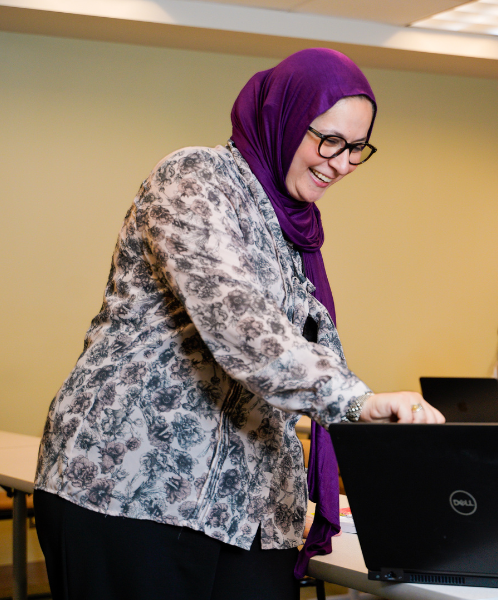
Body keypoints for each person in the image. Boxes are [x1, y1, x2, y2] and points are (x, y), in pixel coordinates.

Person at [33, 48, 443, 600]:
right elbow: (238, 323)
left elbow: (294, 360)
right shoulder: (195, 178)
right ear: (284, 118)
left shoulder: (294, 232)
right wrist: (357, 401)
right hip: (130, 490)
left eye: (356, 148)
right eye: (328, 140)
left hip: (247, 513)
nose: (342, 163)